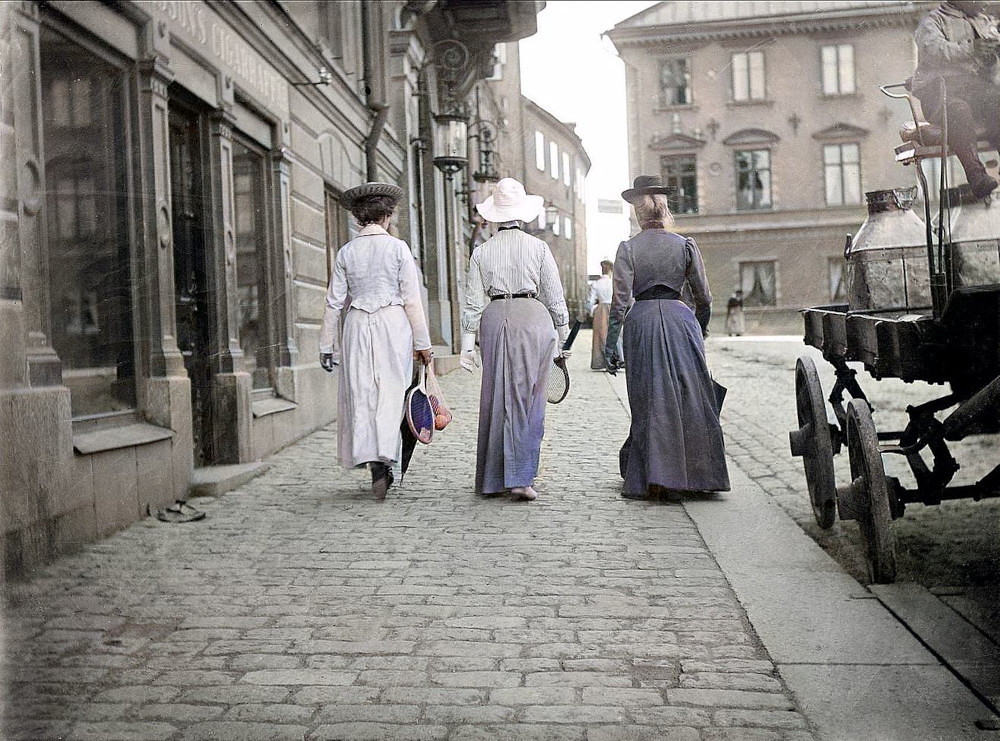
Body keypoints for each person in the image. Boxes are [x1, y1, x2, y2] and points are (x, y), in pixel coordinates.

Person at [605, 175, 729, 498]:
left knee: (648, 399)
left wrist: (610, 349)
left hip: (642, 323)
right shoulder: (685, 246)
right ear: (664, 209)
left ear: (638, 213)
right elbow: (705, 298)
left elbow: (619, 305)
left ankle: (656, 476)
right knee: (691, 397)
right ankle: (697, 475)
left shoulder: (628, 249)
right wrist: (698, 329)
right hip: (681, 321)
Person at [319, 182, 433, 501]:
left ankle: (375, 466)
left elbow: (334, 302)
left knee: (363, 393)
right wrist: (423, 344)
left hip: (357, 323)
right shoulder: (398, 249)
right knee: (391, 393)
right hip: (392, 325)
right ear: (386, 216)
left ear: (359, 218)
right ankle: (385, 458)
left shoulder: (346, 252)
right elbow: (411, 299)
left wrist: (326, 344)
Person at [461, 178, 571, 501]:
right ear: (522, 215)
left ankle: (494, 478)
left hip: (494, 318)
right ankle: (521, 476)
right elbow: (554, 296)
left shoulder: (481, 252)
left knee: (496, 395)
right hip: (532, 317)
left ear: (493, 215)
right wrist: (563, 337)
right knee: (530, 397)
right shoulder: (538, 248)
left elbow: (472, 303)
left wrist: (467, 346)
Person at [913, 0, 1000, 199]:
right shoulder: (933, 21)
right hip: (940, 92)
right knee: (958, 110)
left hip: (974, 90)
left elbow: (989, 68)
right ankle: (976, 175)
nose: (986, 3)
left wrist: (991, 56)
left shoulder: (983, 22)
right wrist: (972, 49)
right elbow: (934, 51)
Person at [587, 259, 620, 370]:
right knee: (614, 333)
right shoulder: (614, 283)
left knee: (601, 335)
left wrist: (593, 310)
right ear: (611, 270)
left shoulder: (596, 284)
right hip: (613, 308)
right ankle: (616, 360)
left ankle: (601, 362)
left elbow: (590, 301)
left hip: (601, 309)